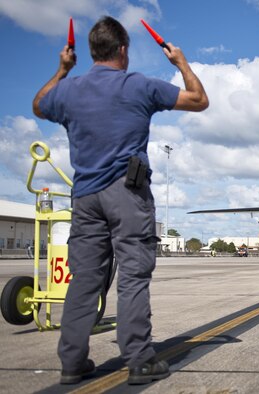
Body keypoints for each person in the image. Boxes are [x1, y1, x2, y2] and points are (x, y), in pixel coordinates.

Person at [32, 16, 208, 385]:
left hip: (85, 197)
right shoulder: (138, 86)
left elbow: (39, 104)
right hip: (126, 194)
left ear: (93, 51)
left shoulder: (68, 91)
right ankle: (139, 358)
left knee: (84, 280)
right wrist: (181, 63)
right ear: (123, 50)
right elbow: (198, 100)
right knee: (132, 273)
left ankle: (72, 362)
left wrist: (62, 70)